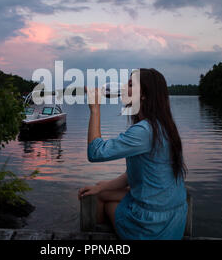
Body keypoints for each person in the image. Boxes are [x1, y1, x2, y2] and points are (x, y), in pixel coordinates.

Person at [78, 68, 188, 240]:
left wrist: (95, 109)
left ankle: (97, 239)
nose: (123, 88)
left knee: (98, 198)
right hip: (173, 218)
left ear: (143, 95)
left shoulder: (144, 131)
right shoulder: (164, 126)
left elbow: (95, 152)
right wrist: (103, 186)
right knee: (100, 189)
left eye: (130, 84)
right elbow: (140, 172)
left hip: (152, 228)